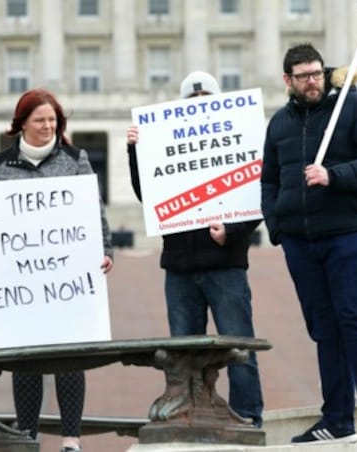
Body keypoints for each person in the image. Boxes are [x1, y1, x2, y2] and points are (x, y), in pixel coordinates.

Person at [0, 88, 114, 452]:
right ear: (22, 124)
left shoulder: (76, 159)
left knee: (69, 358)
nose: (48, 127)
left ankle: (71, 440)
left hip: (67, 280)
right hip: (21, 285)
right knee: (26, 361)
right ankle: (28, 437)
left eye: (53, 121)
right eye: (40, 120)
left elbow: (94, 211)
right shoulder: (0, 165)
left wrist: (105, 249)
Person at [260, 43, 357, 444]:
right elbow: (268, 179)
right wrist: (277, 225)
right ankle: (336, 418)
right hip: (302, 242)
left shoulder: (356, 107)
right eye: (303, 76)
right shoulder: (279, 124)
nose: (312, 81)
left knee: (355, 319)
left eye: (317, 73)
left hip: (351, 233)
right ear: (288, 80)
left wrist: (333, 176)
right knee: (324, 329)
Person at [125, 71, 264, 427]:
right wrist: (135, 152)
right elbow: (149, 196)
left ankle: (249, 415)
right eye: (194, 99)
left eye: (206, 98)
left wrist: (231, 232)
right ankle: (190, 413)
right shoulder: (165, 139)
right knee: (183, 352)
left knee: (240, 347)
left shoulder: (240, 138)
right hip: (180, 265)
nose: (200, 104)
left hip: (225, 262)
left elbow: (256, 199)